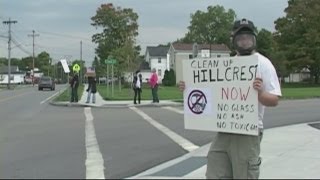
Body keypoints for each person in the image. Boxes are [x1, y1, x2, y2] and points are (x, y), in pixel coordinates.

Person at [178, 18, 282, 179]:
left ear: (254, 38)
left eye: (248, 36)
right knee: (215, 170)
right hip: (225, 129)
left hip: (248, 131)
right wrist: (190, 88)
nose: (245, 40)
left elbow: (274, 100)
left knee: (244, 174)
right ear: (234, 40)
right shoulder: (228, 64)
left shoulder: (263, 63)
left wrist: (260, 93)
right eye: (241, 37)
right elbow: (212, 95)